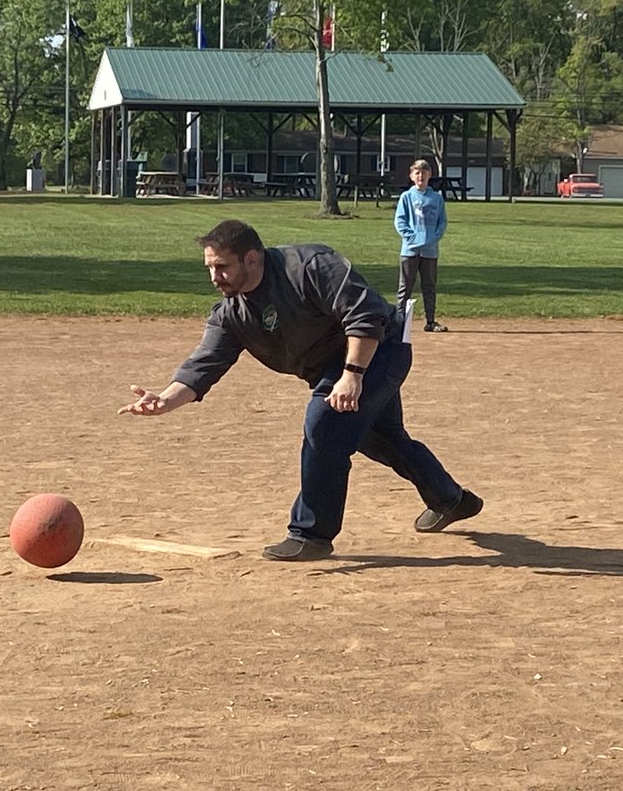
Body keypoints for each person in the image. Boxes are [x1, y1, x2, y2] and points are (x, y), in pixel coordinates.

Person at [117, 219, 481, 561]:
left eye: (222, 267)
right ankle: (450, 499)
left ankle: (311, 534)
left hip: (379, 349)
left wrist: (353, 375)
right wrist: (165, 399)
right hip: (332, 368)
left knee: (324, 423)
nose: (215, 276)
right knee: (379, 437)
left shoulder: (309, 266)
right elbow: (204, 364)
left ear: (252, 258)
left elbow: (366, 316)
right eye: (210, 268)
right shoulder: (233, 312)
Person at [395, 158, 449, 332]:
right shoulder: (407, 197)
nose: (421, 176)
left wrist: (433, 238)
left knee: (429, 286)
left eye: (424, 173)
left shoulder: (436, 198)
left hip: (430, 251)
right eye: (417, 173)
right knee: (405, 287)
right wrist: (412, 239)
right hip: (410, 250)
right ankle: (399, 321)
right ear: (411, 176)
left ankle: (430, 321)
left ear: (429, 176)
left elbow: (442, 222)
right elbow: (400, 222)